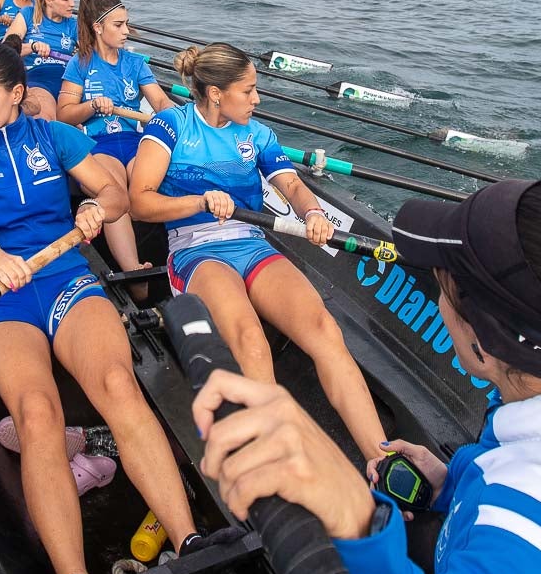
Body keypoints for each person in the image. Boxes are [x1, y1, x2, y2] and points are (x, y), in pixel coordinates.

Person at [192, 180, 541, 574]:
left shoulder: (523, 529)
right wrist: (455, 478)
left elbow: (527, 538)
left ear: (481, 342)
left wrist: (355, 518)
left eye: (442, 287)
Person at [0, 43, 203, 574]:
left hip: (65, 279)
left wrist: (96, 207)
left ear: (16, 95)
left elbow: (114, 191)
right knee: (36, 414)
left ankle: (189, 540)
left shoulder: (55, 135)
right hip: (2, 291)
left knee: (118, 386)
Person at [128, 41, 387, 460]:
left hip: (251, 242)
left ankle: (383, 456)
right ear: (216, 93)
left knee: (323, 330)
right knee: (250, 339)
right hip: (196, 250)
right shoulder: (170, 127)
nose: (257, 99)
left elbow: (293, 185)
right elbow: (139, 200)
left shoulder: (258, 134)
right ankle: (278, 459)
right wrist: (200, 201)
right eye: (247, 90)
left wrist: (312, 214)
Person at [57, 0, 172, 297]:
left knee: (147, 187)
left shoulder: (135, 63)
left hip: (134, 141)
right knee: (116, 192)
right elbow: (64, 114)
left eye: (127, 24)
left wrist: (190, 119)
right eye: (119, 25)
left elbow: (160, 101)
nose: (126, 32)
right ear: (98, 27)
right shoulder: (79, 64)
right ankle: (133, 272)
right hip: (99, 143)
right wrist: (91, 105)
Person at [4, 0, 77, 120]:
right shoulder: (27, 15)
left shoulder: (73, 24)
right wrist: (33, 47)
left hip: (67, 79)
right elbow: (6, 51)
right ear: (48, 0)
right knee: (44, 116)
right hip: (37, 75)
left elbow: (93, 55)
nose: (72, 4)